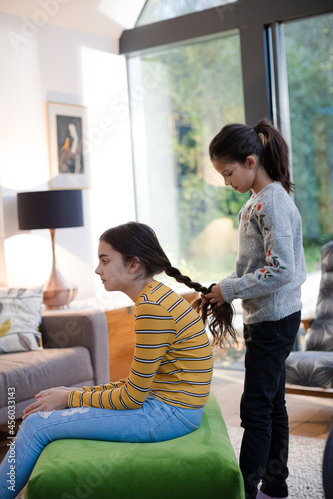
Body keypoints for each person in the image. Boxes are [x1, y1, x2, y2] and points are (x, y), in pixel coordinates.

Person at [0, 221, 236, 499]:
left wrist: (71, 398)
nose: (97, 270)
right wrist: (72, 394)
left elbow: (133, 397)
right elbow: (136, 386)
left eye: (105, 260)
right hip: (171, 407)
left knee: (38, 424)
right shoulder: (157, 297)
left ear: (133, 265)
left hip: (169, 414)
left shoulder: (152, 310)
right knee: (47, 414)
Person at [203, 118, 307, 499]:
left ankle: (244, 491)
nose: (226, 181)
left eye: (228, 173)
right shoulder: (256, 202)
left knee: (256, 410)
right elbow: (253, 266)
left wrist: (229, 289)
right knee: (273, 403)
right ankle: (276, 486)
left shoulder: (273, 203)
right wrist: (222, 289)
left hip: (275, 320)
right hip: (269, 318)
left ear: (250, 162)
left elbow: (282, 269)